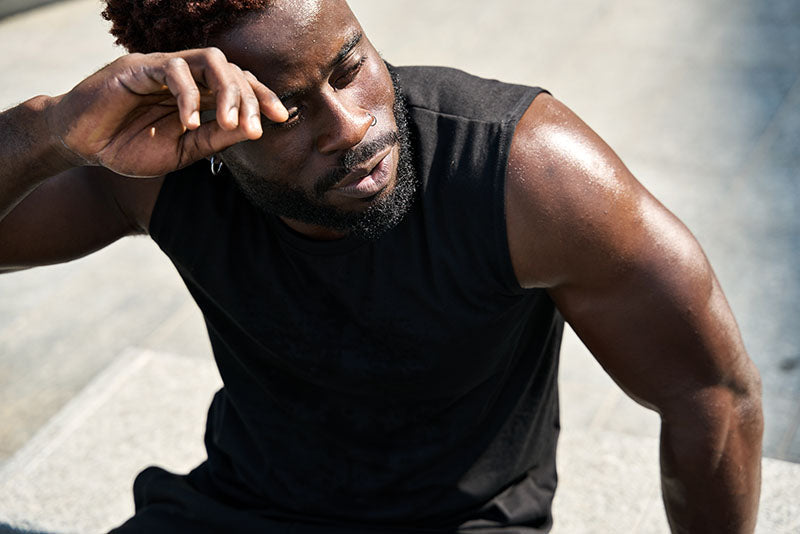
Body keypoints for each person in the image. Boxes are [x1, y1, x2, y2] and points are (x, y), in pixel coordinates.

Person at [0, 0, 763, 532]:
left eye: (348, 65)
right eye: (287, 112)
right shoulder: (161, 172)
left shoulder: (529, 173)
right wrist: (49, 130)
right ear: (204, 123)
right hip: (237, 511)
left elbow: (711, 393)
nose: (352, 125)